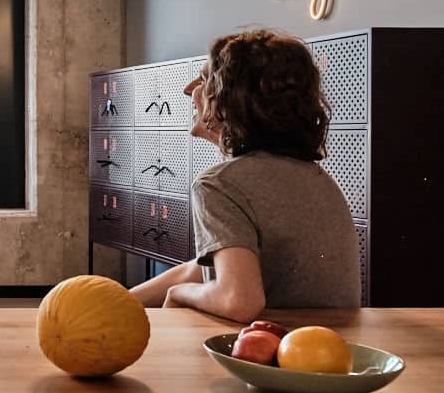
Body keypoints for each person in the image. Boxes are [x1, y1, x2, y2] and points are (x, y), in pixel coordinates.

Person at [130, 28, 360, 321]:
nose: (189, 90)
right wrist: (113, 302)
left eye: (204, 79)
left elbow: (238, 299)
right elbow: (204, 271)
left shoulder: (220, 185)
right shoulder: (312, 177)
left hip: (270, 357)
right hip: (329, 351)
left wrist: (179, 295)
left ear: (229, 101)